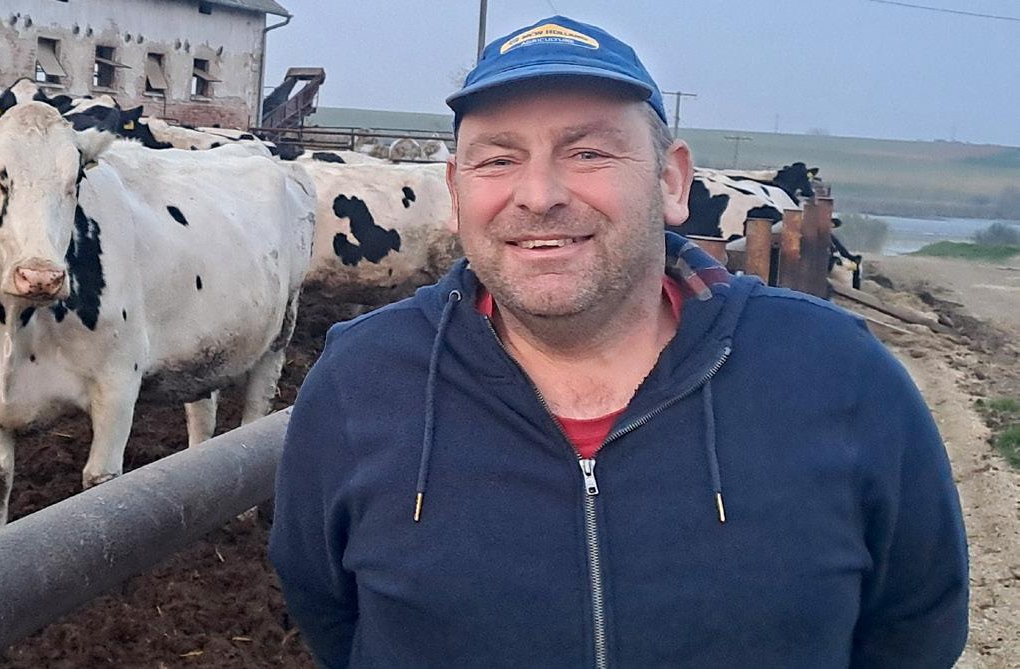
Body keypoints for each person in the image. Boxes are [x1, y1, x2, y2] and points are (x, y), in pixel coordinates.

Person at [268, 15, 968, 668]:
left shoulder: (833, 369)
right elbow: (328, 613)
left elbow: (915, 625)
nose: (538, 195)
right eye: (498, 160)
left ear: (671, 181)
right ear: (455, 192)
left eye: (588, 152)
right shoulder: (361, 380)